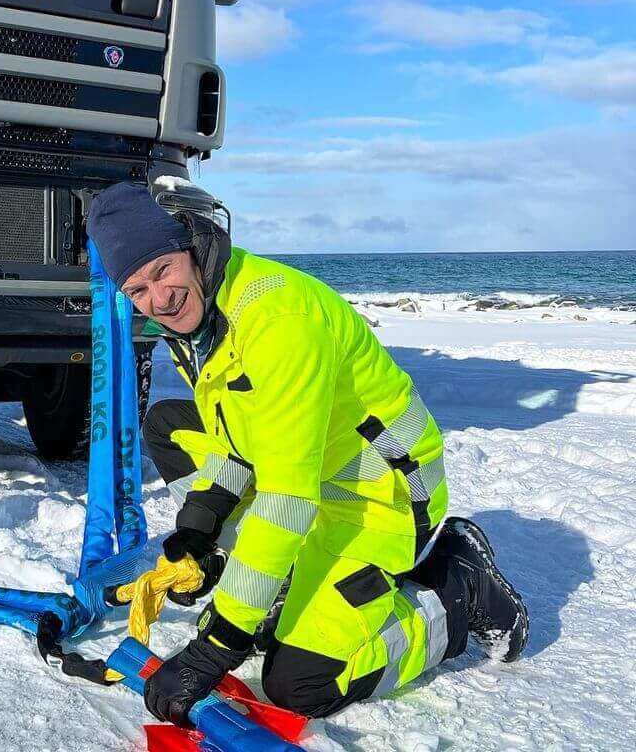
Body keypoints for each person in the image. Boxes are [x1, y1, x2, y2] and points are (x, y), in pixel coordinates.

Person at [86, 183, 529, 726]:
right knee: (172, 429)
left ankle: (455, 594)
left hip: (377, 496)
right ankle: (282, 581)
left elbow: (286, 498)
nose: (159, 297)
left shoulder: (277, 321)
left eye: (162, 270)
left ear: (188, 246)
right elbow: (240, 442)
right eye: (137, 289)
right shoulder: (201, 317)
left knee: (299, 683)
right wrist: (201, 529)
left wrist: (218, 644)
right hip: (310, 474)